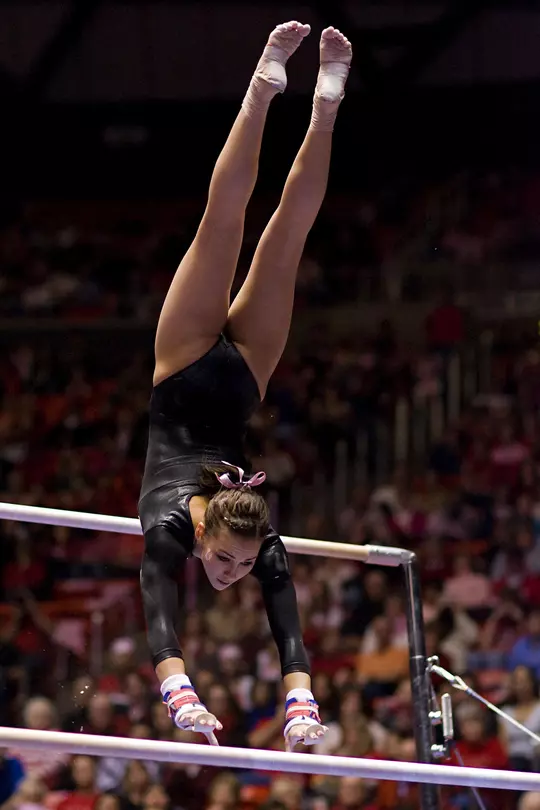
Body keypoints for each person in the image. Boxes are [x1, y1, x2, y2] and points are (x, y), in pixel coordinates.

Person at [138, 20, 352, 752]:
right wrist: (302, 708)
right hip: (245, 373)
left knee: (226, 220)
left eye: (227, 562)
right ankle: (320, 99)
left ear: (198, 531)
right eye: (237, 560)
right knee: (284, 229)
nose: (233, 573)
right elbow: (289, 632)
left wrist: (178, 689)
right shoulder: (254, 539)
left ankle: (269, 84)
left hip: (185, 358)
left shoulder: (169, 524)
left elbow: (159, 607)